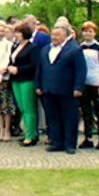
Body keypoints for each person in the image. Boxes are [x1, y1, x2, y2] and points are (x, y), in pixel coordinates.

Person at [34, 25, 86, 154]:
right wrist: (38, 85)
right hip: (48, 89)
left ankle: (70, 144)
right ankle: (56, 142)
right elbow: (39, 69)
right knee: (52, 118)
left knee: (69, 118)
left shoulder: (74, 49)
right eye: (53, 34)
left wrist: (78, 87)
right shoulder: (45, 49)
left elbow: (81, 70)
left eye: (57, 35)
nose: (54, 37)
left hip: (67, 90)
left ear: (65, 36)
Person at [77, 22, 99, 150]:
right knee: (86, 112)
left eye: (90, 31)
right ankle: (88, 137)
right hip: (84, 84)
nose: (88, 33)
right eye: (85, 31)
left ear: (95, 33)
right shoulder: (80, 47)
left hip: (96, 83)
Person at [8, 24, 38, 147]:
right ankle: (30, 133)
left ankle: (30, 136)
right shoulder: (15, 46)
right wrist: (9, 67)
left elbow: (34, 65)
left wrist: (18, 69)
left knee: (28, 108)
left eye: (18, 33)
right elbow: (12, 60)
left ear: (24, 34)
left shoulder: (32, 47)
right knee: (21, 108)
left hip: (27, 80)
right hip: (16, 80)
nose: (16, 35)